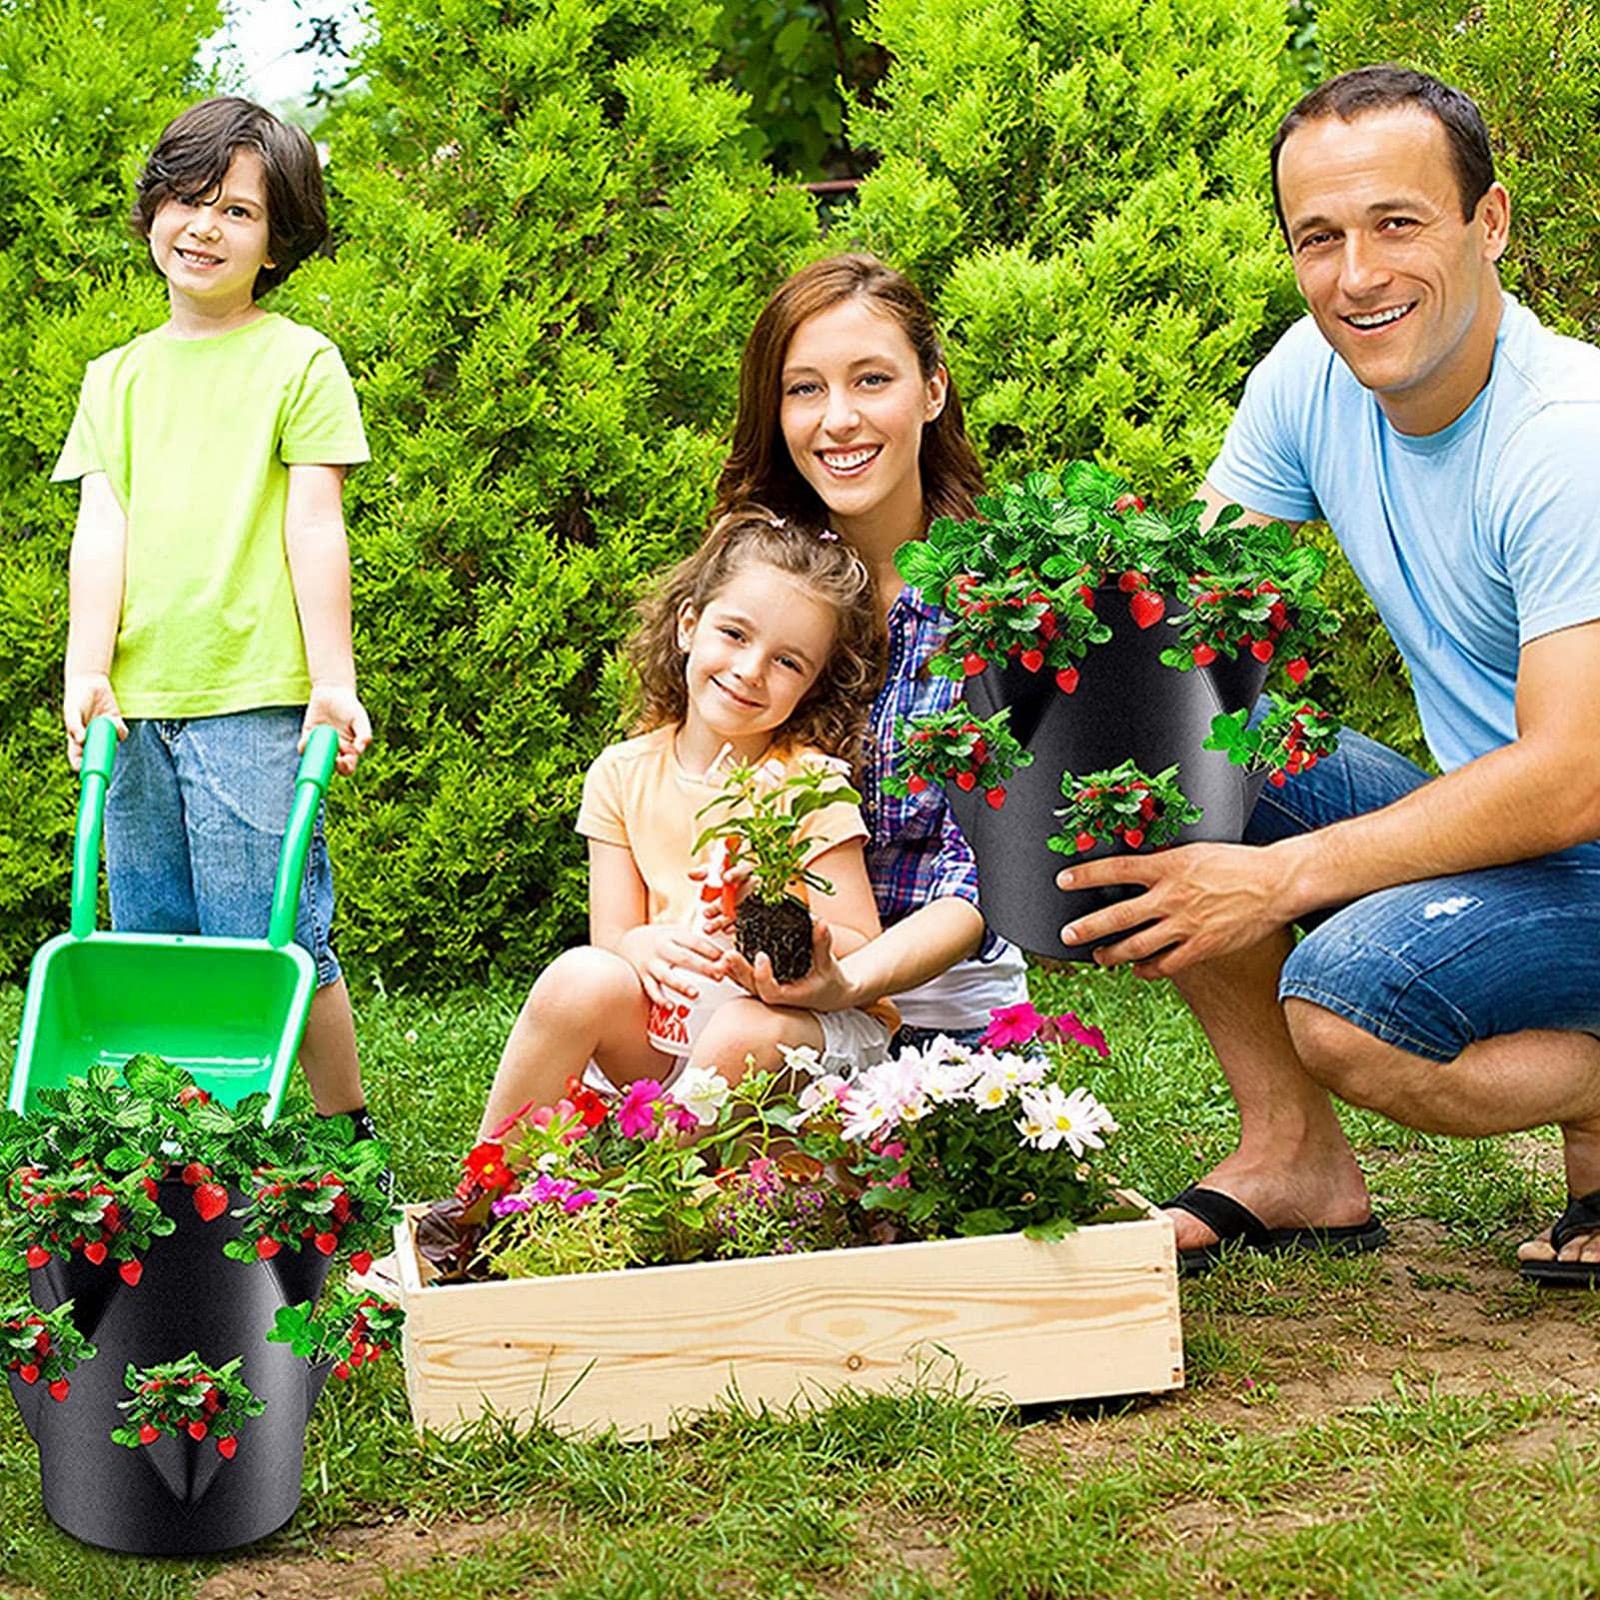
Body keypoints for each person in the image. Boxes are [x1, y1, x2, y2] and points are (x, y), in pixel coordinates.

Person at [1055, 66, 1600, 1282]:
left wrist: (1276, 878)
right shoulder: (1310, 376)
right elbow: (1183, 625)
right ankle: (1293, 1159)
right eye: (1319, 237)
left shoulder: (1569, 438)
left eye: (1396, 223)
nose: (1356, 275)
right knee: (1148, 743)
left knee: (1348, 1008)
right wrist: (1037, 693)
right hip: (1512, 837)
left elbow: (1574, 775)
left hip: (1581, 828)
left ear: (1489, 222)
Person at [53, 97, 377, 1140]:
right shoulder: (115, 379)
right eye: (188, 199)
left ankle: (342, 1135)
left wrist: (333, 682)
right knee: (154, 942)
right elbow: (101, 530)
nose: (204, 226)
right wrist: (87, 672)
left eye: (238, 210)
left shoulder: (299, 362)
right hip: (137, 707)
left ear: (276, 241)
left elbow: (314, 527)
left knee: (274, 942)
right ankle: (190, 1146)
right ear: (154, 209)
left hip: (254, 704)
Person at [475, 508, 897, 1139]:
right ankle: (490, 1182)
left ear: (811, 686)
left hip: (794, 1029)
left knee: (740, 1029)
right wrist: (638, 946)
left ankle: (655, 1188)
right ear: (688, 626)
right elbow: (613, 936)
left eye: (788, 662)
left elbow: (863, 947)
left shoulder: (809, 785)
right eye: (734, 633)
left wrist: (774, 915)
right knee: (576, 979)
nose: (750, 669)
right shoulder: (622, 773)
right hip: (672, 1025)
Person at [709, 254, 1029, 1048]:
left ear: (933, 389)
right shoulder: (756, 580)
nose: (839, 419)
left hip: (942, 1015)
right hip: (750, 998)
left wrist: (849, 981)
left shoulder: (1002, 606)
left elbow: (984, 878)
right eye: (805, 389)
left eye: (872, 380)